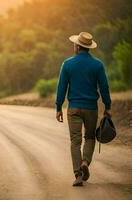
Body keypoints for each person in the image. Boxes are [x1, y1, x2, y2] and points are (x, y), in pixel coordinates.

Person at [55, 32, 112, 187]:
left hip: (73, 108)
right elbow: (104, 88)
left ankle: (78, 175)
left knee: (75, 141)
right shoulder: (98, 65)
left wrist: (58, 107)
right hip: (91, 109)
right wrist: (108, 106)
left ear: (77, 46)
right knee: (90, 137)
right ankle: (85, 162)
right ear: (88, 47)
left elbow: (62, 87)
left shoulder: (67, 64)